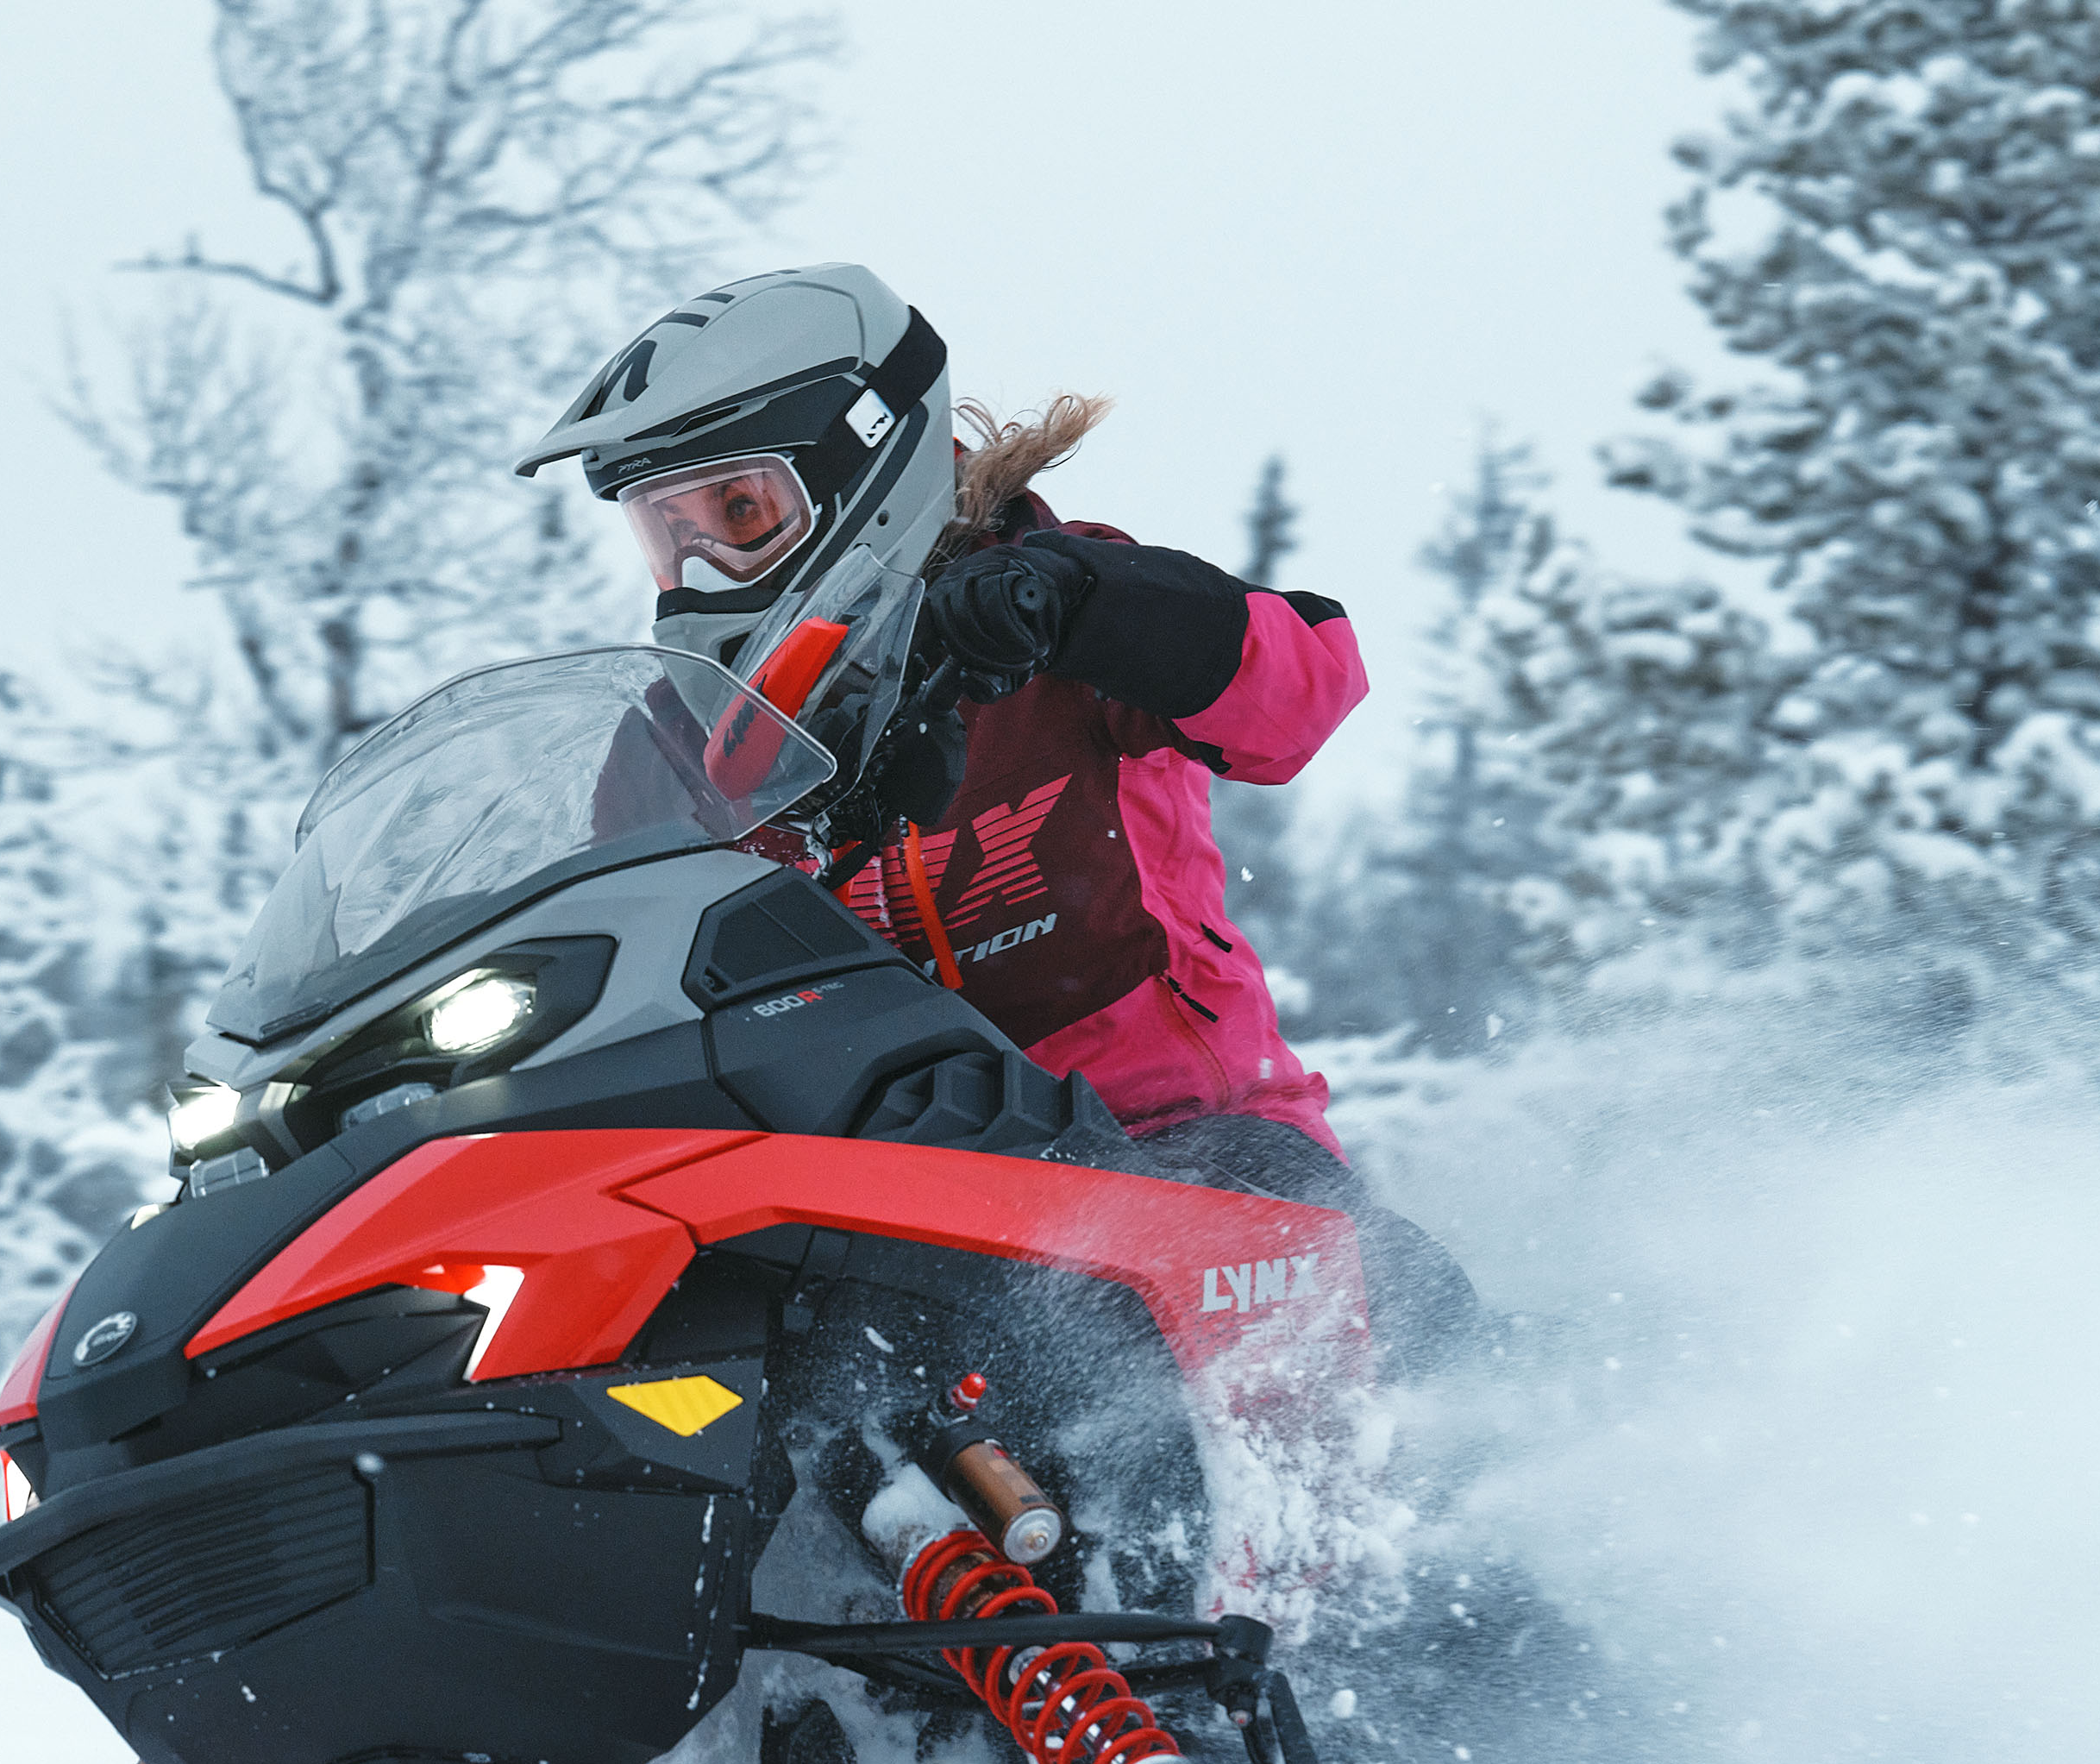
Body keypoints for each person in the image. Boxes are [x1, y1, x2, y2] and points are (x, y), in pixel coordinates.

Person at [517, 263, 1488, 1376]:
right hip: (861, 1195)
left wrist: (1087, 605)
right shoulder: (673, 751)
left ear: (863, 463)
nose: (698, 569)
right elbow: (613, 958)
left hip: (1163, 1134)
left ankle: (1500, 1471)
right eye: (666, 533)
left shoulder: (1045, 611)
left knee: (1380, 1320)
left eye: (736, 512)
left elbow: (1304, 695)